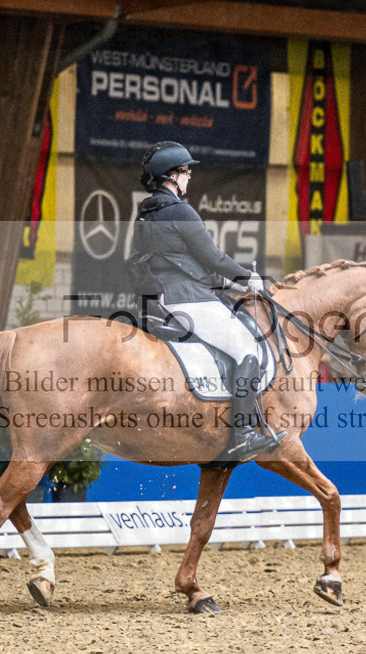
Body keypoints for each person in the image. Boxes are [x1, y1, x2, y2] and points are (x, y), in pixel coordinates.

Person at [133, 141, 281, 465]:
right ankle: (243, 436)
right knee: (249, 349)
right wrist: (248, 278)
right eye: (186, 172)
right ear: (172, 176)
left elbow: (177, 262)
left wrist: (224, 283)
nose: (189, 177)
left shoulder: (145, 214)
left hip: (161, 299)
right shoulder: (181, 211)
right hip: (188, 300)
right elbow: (212, 256)